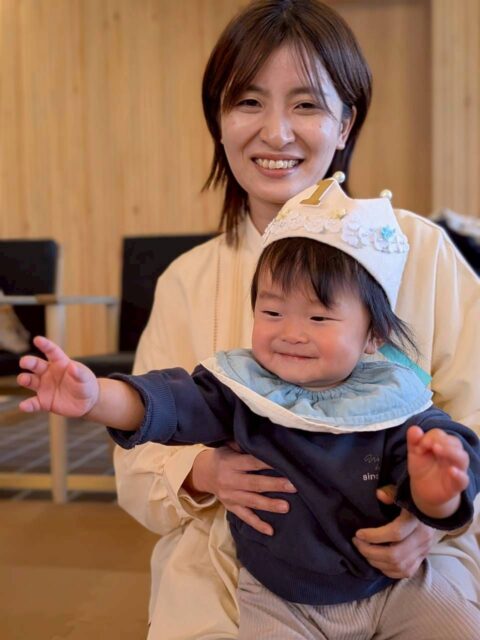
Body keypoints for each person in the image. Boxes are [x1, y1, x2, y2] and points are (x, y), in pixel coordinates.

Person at [100, 1, 480, 637]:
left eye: (306, 105)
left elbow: (474, 418)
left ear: (345, 122)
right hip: (230, 563)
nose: (276, 133)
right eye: (248, 102)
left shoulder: (422, 251)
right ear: (219, 121)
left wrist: (433, 516)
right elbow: (137, 468)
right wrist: (203, 472)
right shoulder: (187, 280)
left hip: (408, 562)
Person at [17, 179, 480, 639]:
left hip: (394, 585)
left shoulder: (391, 395)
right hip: (281, 596)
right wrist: (97, 398)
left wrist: (435, 493)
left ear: (373, 335)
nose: (291, 333)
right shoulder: (242, 388)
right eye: (272, 312)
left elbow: (442, 461)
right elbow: (166, 402)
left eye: (319, 317)